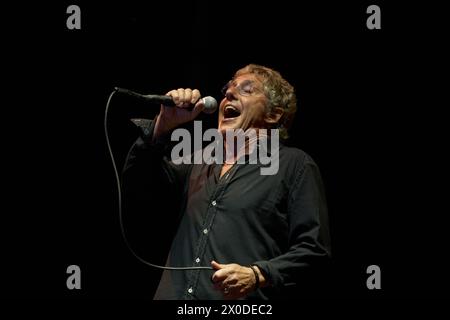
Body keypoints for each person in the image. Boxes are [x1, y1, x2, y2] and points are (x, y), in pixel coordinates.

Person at [121, 64, 331, 300]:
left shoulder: (295, 165)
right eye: (228, 88)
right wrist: (163, 125)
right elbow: (138, 188)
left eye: (247, 90)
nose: (229, 94)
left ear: (273, 115)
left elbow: (314, 250)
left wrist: (257, 275)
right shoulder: (196, 160)